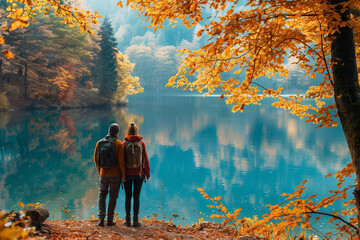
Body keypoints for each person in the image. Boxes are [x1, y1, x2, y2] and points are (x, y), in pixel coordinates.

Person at [94, 123, 126, 227]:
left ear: (109, 131)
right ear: (117, 132)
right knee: (113, 196)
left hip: (104, 173)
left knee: (102, 194)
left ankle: (101, 219)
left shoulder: (99, 142)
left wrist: (99, 170)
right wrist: (123, 175)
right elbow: (121, 161)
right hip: (115, 175)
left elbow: (95, 158)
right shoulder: (119, 144)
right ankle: (110, 220)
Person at [123, 122, 150, 227]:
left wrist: (122, 174)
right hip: (139, 173)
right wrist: (147, 173)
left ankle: (127, 220)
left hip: (127, 173)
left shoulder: (124, 143)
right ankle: (135, 221)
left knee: (128, 196)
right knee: (136, 196)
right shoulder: (141, 143)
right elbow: (145, 159)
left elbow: (121, 160)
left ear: (128, 131)